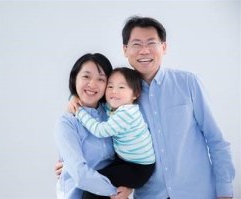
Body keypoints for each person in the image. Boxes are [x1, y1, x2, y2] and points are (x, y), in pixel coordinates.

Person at [55, 16, 235, 199]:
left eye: (151, 43)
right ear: (125, 50)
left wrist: (225, 191)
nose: (144, 50)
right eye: (136, 44)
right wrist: (74, 98)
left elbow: (216, 140)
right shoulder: (119, 95)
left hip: (197, 192)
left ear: (164, 47)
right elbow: (94, 96)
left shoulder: (188, 83)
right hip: (150, 194)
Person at [54, 53, 132, 199]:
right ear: (74, 78)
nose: (93, 84)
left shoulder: (112, 113)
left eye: (101, 79)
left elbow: (130, 153)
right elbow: (80, 174)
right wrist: (117, 191)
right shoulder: (67, 123)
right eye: (86, 76)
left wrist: (129, 186)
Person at [72, 67, 155, 199]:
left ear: (135, 94)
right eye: (110, 86)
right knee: (99, 184)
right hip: (126, 161)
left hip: (138, 168)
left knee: (95, 184)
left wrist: (79, 111)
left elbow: (100, 130)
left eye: (121, 87)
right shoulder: (116, 108)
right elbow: (102, 105)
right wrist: (75, 97)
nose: (114, 91)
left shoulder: (126, 113)